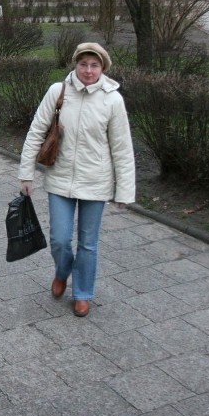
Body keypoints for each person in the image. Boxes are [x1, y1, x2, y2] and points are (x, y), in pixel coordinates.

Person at [18, 42, 135, 318]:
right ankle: (62, 271)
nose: (88, 70)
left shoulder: (112, 100)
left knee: (88, 243)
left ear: (102, 68)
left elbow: (122, 148)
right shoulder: (57, 92)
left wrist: (125, 191)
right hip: (60, 178)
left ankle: (82, 293)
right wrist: (26, 173)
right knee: (59, 239)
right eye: (83, 64)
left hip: (96, 181)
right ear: (75, 64)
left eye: (94, 65)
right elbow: (36, 132)